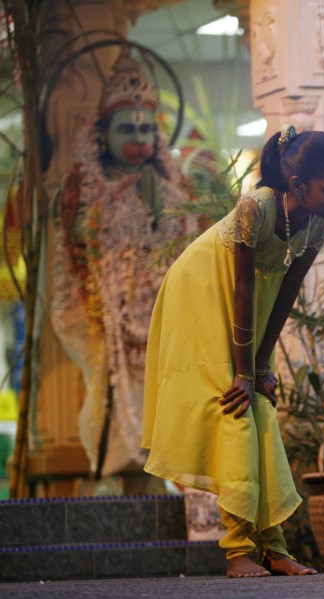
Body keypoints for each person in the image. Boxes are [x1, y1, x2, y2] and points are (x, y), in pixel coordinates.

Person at [141, 125, 324, 578]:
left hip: (255, 304)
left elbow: (289, 289)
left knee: (262, 408)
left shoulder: (323, 216)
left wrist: (260, 364)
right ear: (297, 185)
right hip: (202, 291)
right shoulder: (256, 206)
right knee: (234, 408)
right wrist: (241, 370)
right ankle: (238, 552)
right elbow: (239, 286)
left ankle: (274, 549)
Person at [50, 48, 201, 484]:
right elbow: (73, 271)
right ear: (103, 135)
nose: (138, 137)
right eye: (126, 128)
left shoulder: (177, 190)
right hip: (112, 336)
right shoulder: (85, 194)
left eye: (145, 127)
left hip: (166, 334)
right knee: (122, 440)